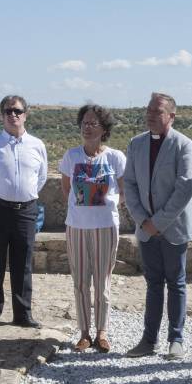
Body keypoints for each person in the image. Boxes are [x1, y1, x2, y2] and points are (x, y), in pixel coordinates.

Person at [123, 92, 192, 360]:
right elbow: (129, 184)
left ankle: (176, 340)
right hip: (146, 228)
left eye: (157, 111)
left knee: (176, 283)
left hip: (173, 228)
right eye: (149, 110)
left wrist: (158, 223)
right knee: (153, 283)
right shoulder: (135, 144)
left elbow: (185, 188)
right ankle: (148, 340)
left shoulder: (185, 145)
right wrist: (142, 220)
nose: (151, 115)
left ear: (171, 116)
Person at [59, 104, 126, 353]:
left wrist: (108, 203)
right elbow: (66, 189)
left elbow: (123, 190)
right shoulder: (71, 156)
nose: (87, 127)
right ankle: (84, 332)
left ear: (104, 128)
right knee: (80, 281)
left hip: (106, 225)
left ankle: (102, 331)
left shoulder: (115, 157)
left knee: (102, 280)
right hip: (77, 225)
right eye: (84, 123)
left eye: (93, 123)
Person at [0, 95, 47, 330]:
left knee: (23, 263)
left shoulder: (37, 145)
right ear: (1, 115)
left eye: (17, 111)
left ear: (25, 114)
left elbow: (41, 178)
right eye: (8, 111)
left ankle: (22, 313)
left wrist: (22, 195)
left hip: (25, 210)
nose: (13, 115)